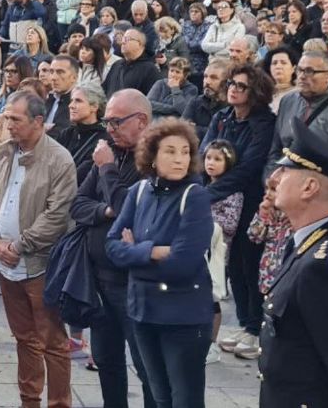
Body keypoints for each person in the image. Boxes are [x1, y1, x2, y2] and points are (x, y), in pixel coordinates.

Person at [257, 117, 328, 408]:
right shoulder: (313, 244)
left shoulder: (324, 267)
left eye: (285, 170)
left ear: (309, 187)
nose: (274, 178)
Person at [105, 117, 214, 408]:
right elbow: (112, 248)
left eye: (185, 151)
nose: (179, 159)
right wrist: (152, 251)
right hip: (142, 310)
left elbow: (183, 264)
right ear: (152, 155)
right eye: (170, 151)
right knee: (158, 396)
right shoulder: (138, 192)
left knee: (184, 400)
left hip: (183, 316)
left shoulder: (196, 197)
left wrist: (135, 252)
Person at [0, 90, 77, 408]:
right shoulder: (5, 151)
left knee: (53, 342)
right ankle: (29, 402)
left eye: (15, 119)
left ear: (38, 121)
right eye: (7, 117)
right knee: (24, 339)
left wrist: (19, 246)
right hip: (6, 263)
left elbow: (57, 215)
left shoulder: (59, 159)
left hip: (39, 265)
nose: (8, 125)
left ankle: (59, 403)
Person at [69, 89, 156, 407]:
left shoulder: (156, 158)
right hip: (100, 278)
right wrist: (105, 211)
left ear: (141, 121)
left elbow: (130, 210)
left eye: (116, 121)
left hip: (134, 282)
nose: (109, 128)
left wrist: (106, 171)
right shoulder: (111, 152)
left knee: (148, 367)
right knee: (106, 361)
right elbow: (77, 204)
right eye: (107, 121)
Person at [200, 63, 275, 361]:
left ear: (255, 92)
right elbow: (205, 153)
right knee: (230, 266)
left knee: (250, 262)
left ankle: (254, 327)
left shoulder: (264, 123)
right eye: (231, 83)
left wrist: (208, 194)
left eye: (241, 85)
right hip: (219, 200)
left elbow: (248, 168)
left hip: (249, 201)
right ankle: (244, 322)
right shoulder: (222, 117)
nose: (233, 88)